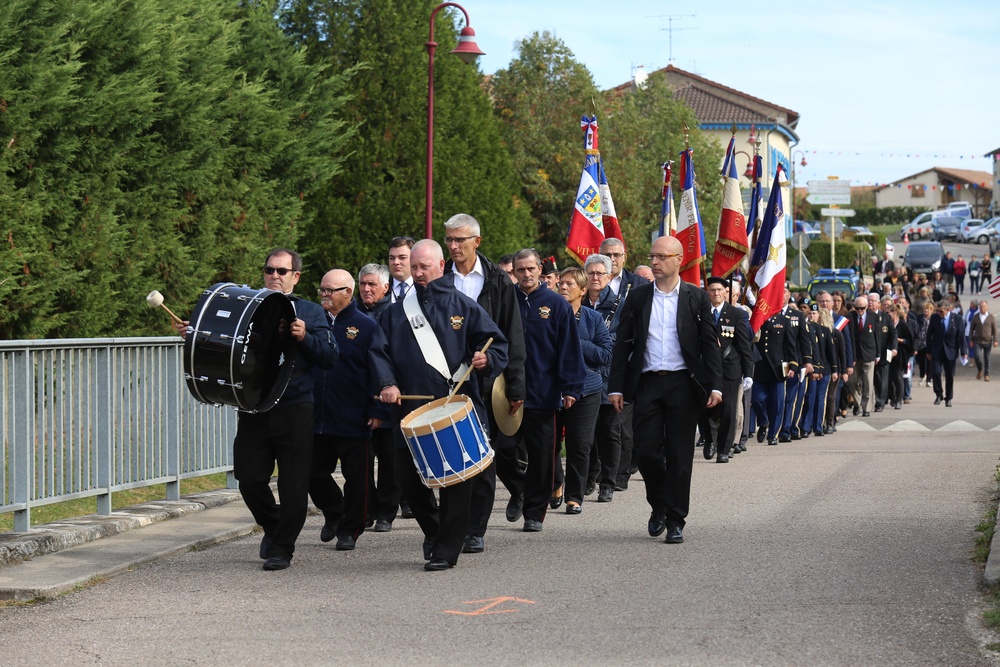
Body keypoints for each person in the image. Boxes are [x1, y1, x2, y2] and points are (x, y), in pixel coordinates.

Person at [174, 248, 338, 571]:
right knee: (248, 478)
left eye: (281, 271)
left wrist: (305, 337)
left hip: (295, 408)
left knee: (294, 486)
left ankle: (282, 549)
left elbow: (330, 358)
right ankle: (274, 526)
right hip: (254, 408)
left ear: (295, 276)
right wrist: (196, 335)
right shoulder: (248, 309)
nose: (274, 276)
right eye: (269, 270)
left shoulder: (311, 312)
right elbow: (223, 344)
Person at [377, 240, 508, 571]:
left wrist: (486, 358)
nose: (419, 273)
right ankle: (434, 532)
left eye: (425, 266)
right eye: (415, 267)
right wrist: (386, 383)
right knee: (408, 479)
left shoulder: (464, 306)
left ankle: (447, 549)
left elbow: (497, 344)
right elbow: (378, 352)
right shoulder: (395, 312)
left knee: (457, 480)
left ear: (440, 266)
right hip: (409, 409)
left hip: (454, 405)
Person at [608, 235, 722, 545]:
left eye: (661, 257)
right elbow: (622, 345)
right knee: (645, 452)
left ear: (678, 260)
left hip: (683, 384)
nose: (655, 262)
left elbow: (709, 345)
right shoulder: (639, 297)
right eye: (652, 256)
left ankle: (675, 519)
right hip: (646, 383)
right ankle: (658, 504)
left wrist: (716, 385)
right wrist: (616, 387)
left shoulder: (696, 298)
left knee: (679, 454)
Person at [441, 213, 526, 555]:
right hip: (444, 380)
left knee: (479, 454)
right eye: (448, 239)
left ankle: (475, 527)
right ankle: (449, 525)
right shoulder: (438, 278)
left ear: (477, 241)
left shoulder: (497, 281)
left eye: (459, 240)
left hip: (485, 382)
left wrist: (515, 386)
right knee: (448, 454)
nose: (453, 246)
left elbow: (512, 337)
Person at [309, 269, 394, 551]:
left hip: (354, 416)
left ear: (347, 292)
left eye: (329, 290)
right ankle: (334, 511)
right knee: (312, 472)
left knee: (358, 479)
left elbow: (378, 370)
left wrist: (378, 410)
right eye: (321, 289)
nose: (324, 295)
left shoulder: (366, 326)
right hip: (317, 416)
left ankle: (350, 529)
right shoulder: (313, 323)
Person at [505, 248, 585, 531]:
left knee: (541, 456)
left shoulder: (556, 304)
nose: (526, 274)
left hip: (543, 393)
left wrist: (570, 387)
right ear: (513, 272)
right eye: (520, 270)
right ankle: (519, 489)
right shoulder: (505, 302)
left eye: (530, 269)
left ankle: (534, 512)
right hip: (505, 395)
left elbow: (569, 349)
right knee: (501, 451)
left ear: (540, 270)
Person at [555, 266, 612, 513]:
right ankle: (556, 484)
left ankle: (574, 497)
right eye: (561, 283)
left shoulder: (593, 318)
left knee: (580, 444)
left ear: (582, 289)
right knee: (550, 443)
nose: (563, 287)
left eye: (569, 284)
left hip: (587, 389)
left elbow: (605, 354)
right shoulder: (549, 314)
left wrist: (578, 343)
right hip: (553, 389)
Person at [596, 237, 650, 491]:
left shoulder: (638, 284)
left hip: (629, 363)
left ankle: (621, 473)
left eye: (617, 255)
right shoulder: (591, 283)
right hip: (598, 362)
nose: (612, 259)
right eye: (607, 254)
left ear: (624, 257)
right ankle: (600, 470)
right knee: (601, 424)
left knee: (623, 425)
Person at [356, 263, 398, 532]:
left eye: (372, 284)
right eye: (363, 284)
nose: (367, 289)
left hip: (387, 399)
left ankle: (386, 512)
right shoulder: (352, 314)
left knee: (390, 461)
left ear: (386, 287)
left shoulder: (395, 315)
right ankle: (366, 510)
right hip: (357, 401)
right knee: (360, 462)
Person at [698, 277, 752, 463]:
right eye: (712, 290)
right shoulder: (700, 313)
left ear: (725, 292)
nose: (716, 293)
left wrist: (748, 373)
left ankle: (723, 449)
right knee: (707, 408)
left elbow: (744, 345)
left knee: (728, 411)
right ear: (708, 292)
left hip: (730, 368)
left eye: (719, 290)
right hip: (706, 368)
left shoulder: (735, 314)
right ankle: (710, 439)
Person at [582, 254, 621, 500]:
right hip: (583, 376)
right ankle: (589, 477)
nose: (595, 278)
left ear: (609, 276)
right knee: (587, 433)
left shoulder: (620, 304)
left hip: (610, 376)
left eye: (600, 273)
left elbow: (617, 342)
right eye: (591, 273)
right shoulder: (577, 302)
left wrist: (584, 344)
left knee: (610, 431)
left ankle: (608, 481)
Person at [925, 299, 966, 407]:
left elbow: (961, 336)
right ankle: (939, 395)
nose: (938, 313)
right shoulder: (934, 318)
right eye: (937, 311)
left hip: (951, 351)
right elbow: (929, 335)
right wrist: (928, 351)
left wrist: (964, 352)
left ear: (948, 309)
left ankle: (948, 397)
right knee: (936, 372)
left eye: (941, 311)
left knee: (949, 376)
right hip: (936, 351)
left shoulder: (957, 319)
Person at [848, 295, 879, 417]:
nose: (860, 311)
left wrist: (878, 354)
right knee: (853, 381)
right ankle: (857, 403)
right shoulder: (849, 317)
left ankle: (867, 408)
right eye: (857, 308)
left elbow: (877, 336)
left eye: (862, 308)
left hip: (869, 354)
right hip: (855, 354)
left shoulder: (874, 317)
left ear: (866, 307)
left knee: (868, 382)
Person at [969, 300, 998, 381]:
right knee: (977, 356)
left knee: (987, 358)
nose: (982, 308)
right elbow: (971, 330)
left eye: (984, 306)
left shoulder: (991, 317)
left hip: (987, 341)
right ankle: (980, 370)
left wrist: (996, 340)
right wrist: (970, 340)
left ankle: (987, 374)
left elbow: (995, 330)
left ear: (987, 307)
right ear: (979, 307)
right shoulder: (976, 317)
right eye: (981, 307)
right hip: (977, 341)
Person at [387, 236, 415, 303]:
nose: (396, 262)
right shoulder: (381, 288)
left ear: (413, 259)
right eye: (392, 258)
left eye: (402, 257)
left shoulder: (424, 288)